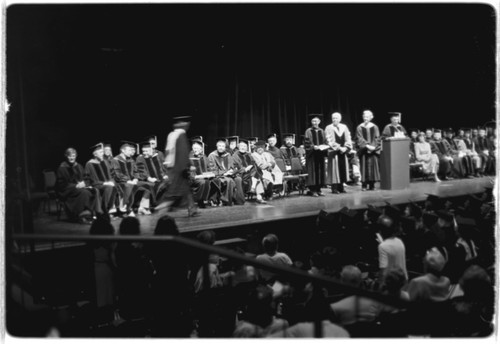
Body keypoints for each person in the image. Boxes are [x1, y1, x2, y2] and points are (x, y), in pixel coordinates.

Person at [148, 215, 192, 337]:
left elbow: (150, 259)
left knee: (163, 313)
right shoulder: (180, 242)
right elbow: (186, 262)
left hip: (162, 280)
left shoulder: (154, 243)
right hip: (178, 280)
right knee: (179, 310)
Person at [155, 115, 199, 217]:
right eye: (185, 123)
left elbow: (169, 153)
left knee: (185, 189)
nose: (187, 125)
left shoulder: (171, 135)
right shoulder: (181, 135)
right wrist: (186, 167)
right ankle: (161, 207)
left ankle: (192, 208)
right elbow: (183, 153)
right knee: (175, 192)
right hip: (179, 169)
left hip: (173, 168)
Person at [56, 147, 98, 224]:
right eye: (70, 156)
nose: (72, 158)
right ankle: (80, 216)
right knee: (84, 193)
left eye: (73, 156)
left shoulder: (79, 166)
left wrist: (84, 183)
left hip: (79, 189)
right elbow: (61, 184)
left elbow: (86, 177)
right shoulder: (62, 168)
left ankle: (89, 215)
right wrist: (75, 186)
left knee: (93, 190)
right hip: (67, 191)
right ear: (66, 156)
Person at [112, 141, 154, 216]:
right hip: (121, 182)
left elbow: (136, 171)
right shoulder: (115, 160)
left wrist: (135, 179)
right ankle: (126, 209)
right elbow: (117, 174)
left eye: (131, 150)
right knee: (129, 186)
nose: (131, 152)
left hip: (132, 181)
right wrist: (128, 180)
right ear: (123, 150)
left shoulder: (131, 160)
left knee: (149, 185)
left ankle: (143, 207)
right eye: (129, 150)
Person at [208, 138, 245, 206]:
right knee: (229, 180)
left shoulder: (228, 155)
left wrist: (232, 171)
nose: (221, 148)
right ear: (216, 146)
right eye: (219, 146)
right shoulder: (212, 155)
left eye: (222, 146)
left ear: (225, 147)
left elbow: (232, 166)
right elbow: (212, 170)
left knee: (238, 179)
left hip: (228, 174)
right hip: (217, 176)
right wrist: (225, 173)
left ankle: (238, 200)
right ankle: (225, 200)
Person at [85, 143, 120, 216]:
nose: (103, 154)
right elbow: (89, 179)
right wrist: (104, 183)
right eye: (100, 152)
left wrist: (112, 181)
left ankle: (112, 209)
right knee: (109, 187)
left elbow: (111, 174)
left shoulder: (105, 161)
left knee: (116, 186)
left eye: (102, 152)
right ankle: (104, 209)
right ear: (95, 154)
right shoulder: (89, 164)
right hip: (97, 185)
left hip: (106, 184)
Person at [232, 139, 267, 204]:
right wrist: (245, 169)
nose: (243, 148)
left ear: (247, 147)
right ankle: (257, 195)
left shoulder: (249, 154)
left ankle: (258, 195)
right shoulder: (235, 156)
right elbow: (235, 168)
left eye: (245, 146)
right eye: (241, 146)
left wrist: (251, 167)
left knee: (255, 170)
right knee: (257, 176)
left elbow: (254, 163)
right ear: (238, 146)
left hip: (251, 174)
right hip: (242, 174)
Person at [136, 141, 170, 208]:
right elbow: (142, 170)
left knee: (169, 182)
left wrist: (165, 174)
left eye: (147, 151)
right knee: (159, 185)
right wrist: (149, 178)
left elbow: (163, 167)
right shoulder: (140, 158)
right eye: (143, 151)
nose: (145, 153)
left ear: (152, 150)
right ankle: (156, 203)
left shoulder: (158, 155)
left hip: (161, 178)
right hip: (150, 179)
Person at [325, 112, 352, 194]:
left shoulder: (344, 127)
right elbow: (329, 140)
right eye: (333, 118)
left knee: (342, 170)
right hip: (334, 152)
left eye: (336, 118)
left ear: (340, 119)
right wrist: (339, 147)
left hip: (343, 152)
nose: (334, 119)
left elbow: (348, 138)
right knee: (334, 170)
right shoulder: (329, 127)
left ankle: (341, 187)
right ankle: (334, 188)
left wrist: (346, 147)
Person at [189, 139, 221, 207]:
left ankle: (212, 200)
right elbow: (190, 173)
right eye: (194, 148)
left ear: (201, 150)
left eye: (197, 148)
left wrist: (211, 174)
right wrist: (198, 176)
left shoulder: (204, 157)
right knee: (203, 182)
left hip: (204, 177)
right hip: (193, 179)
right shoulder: (189, 158)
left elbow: (209, 167)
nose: (196, 150)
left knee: (216, 180)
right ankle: (200, 200)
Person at [355, 110, 381, 191]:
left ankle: (372, 185)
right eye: (364, 117)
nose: (365, 118)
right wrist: (366, 146)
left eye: (367, 117)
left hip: (373, 150)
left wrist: (373, 147)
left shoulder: (375, 127)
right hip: (364, 150)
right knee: (364, 167)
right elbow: (359, 138)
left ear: (371, 117)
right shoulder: (359, 127)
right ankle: (364, 185)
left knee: (373, 167)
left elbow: (377, 138)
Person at [377, 216, 408, 281]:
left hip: (391, 283)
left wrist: (379, 286)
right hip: (403, 280)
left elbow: (383, 271)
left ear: (381, 231)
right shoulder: (399, 241)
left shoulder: (383, 246)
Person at [304, 114, 327, 196]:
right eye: (313, 121)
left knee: (320, 172)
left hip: (320, 154)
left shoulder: (322, 131)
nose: (315, 123)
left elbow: (325, 141)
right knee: (312, 172)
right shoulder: (308, 131)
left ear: (319, 122)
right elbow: (307, 143)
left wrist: (324, 146)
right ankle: (313, 190)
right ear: (311, 122)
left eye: (316, 121)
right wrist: (313, 147)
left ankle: (319, 189)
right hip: (312, 155)